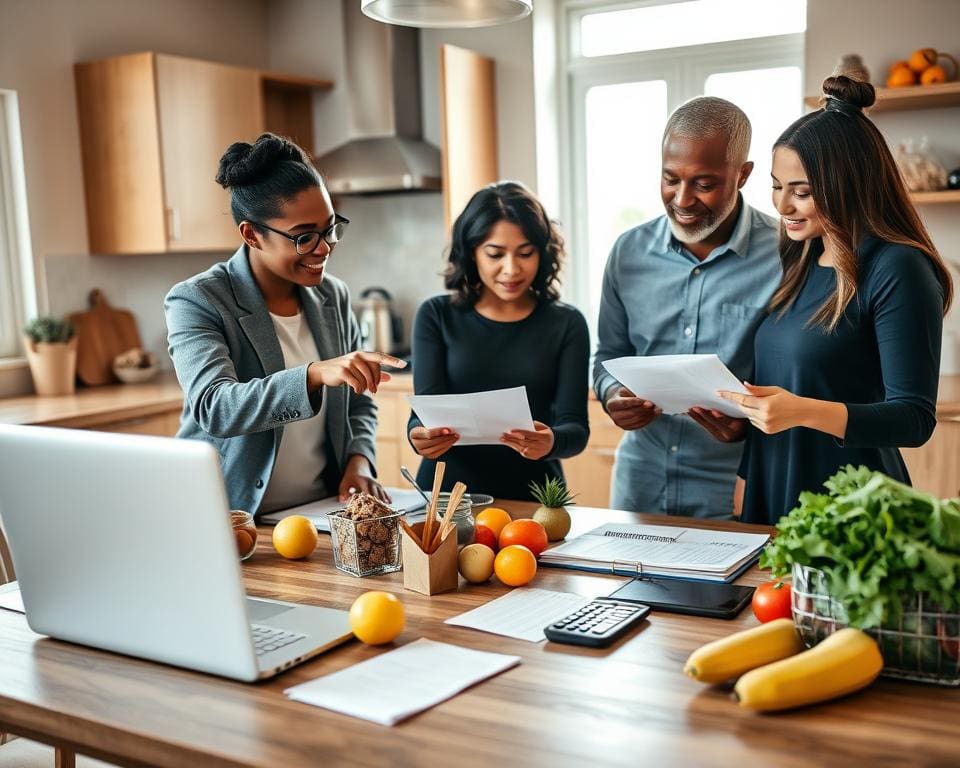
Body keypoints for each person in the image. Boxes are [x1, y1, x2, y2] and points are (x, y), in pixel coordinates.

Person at [716, 76, 953, 524]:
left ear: (849, 184)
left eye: (801, 191)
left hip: (850, 509)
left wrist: (799, 411)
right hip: (774, 497)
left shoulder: (897, 267)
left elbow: (914, 419)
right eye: (776, 185)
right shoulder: (801, 258)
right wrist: (747, 480)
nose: (782, 205)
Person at [165, 133, 405, 515]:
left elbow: (357, 402)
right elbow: (215, 407)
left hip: (319, 513)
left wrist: (359, 460)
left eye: (330, 229)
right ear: (252, 234)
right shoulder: (198, 300)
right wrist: (312, 375)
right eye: (304, 237)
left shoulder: (334, 296)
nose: (324, 247)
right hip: (229, 518)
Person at [593, 97, 781, 519]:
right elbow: (607, 355)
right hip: (639, 482)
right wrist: (612, 396)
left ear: (744, 174)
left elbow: (799, 378)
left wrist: (748, 422)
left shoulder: (787, 255)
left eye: (704, 183)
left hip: (735, 486)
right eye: (670, 178)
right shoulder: (628, 253)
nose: (682, 198)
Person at [407, 181, 590, 499]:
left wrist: (552, 441)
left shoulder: (566, 323)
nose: (511, 269)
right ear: (472, 253)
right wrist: (418, 436)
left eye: (525, 253)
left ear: (542, 252)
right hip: (449, 499)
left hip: (536, 500)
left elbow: (575, 428)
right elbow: (423, 414)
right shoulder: (436, 315)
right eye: (495, 254)